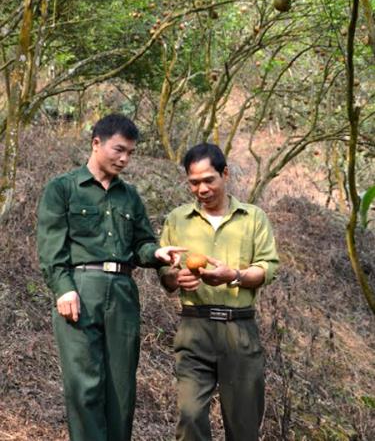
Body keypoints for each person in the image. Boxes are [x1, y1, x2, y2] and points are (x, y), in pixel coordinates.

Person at [37, 113, 184, 441]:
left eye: (130, 153)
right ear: (96, 143)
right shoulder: (63, 188)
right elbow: (51, 247)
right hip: (80, 289)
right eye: (119, 150)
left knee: (121, 388)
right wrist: (63, 289)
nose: (125, 159)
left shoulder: (129, 196)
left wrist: (157, 254)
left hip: (122, 293)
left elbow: (142, 243)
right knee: (84, 386)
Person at [159, 143, 279, 441]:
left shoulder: (252, 218)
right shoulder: (177, 219)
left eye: (209, 180)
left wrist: (234, 275)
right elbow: (164, 270)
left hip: (238, 329)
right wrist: (177, 278)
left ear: (225, 174)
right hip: (194, 328)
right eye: (194, 182)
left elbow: (266, 268)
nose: (202, 189)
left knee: (243, 424)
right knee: (190, 416)